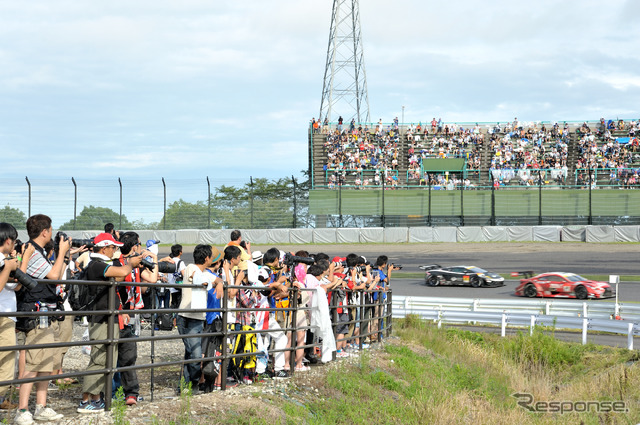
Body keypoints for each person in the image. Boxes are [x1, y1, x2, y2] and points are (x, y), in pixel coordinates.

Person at [14, 214, 70, 425]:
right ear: (45, 231)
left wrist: (64, 258)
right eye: (51, 230)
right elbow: (54, 276)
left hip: (48, 312)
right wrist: (62, 251)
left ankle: (41, 406)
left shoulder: (39, 253)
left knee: (46, 362)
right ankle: (22, 410)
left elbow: (55, 275)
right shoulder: (31, 252)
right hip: (37, 314)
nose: (53, 234)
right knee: (33, 362)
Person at [77, 233, 142, 414]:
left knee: (108, 361)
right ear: (104, 248)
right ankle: (84, 401)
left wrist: (127, 264)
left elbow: (120, 277)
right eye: (113, 247)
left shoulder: (103, 265)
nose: (116, 251)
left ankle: (96, 399)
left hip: (109, 319)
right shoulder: (96, 265)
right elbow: (122, 272)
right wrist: (130, 264)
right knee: (99, 360)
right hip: (101, 320)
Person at [112, 232, 158, 406]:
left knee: (128, 355)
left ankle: (128, 392)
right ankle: (115, 391)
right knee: (117, 356)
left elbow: (152, 279)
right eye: (139, 245)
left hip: (131, 315)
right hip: (118, 314)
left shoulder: (135, 266)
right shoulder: (117, 264)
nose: (141, 248)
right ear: (134, 247)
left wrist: (153, 257)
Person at [176, 244, 217, 393]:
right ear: (206, 258)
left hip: (197, 318)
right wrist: (212, 283)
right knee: (195, 353)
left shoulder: (205, 272)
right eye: (211, 256)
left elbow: (216, 280)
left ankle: (184, 386)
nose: (212, 259)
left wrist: (218, 284)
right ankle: (192, 385)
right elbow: (198, 278)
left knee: (190, 352)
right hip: (187, 317)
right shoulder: (191, 268)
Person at [0, 223, 20, 411]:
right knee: (7, 359)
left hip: (7, 314)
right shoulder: (2, 261)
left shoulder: (5, 260)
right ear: (8, 241)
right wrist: (7, 268)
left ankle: (2, 399)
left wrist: (16, 267)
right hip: (3, 316)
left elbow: (16, 287)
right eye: (13, 242)